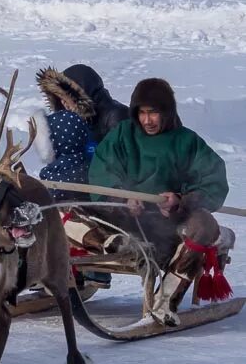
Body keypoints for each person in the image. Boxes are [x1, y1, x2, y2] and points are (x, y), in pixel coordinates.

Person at [88, 78, 230, 326]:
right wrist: (121, 195)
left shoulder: (186, 141)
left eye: (153, 113)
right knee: (70, 214)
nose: (147, 120)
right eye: (142, 113)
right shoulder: (123, 135)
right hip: (126, 220)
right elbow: (102, 171)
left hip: (171, 225)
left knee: (204, 224)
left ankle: (165, 302)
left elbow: (214, 180)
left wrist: (181, 200)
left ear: (167, 112)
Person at [37, 65, 129, 143]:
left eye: (65, 97)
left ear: (80, 96)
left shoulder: (116, 117)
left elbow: (124, 158)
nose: (63, 102)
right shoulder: (79, 122)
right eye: (60, 99)